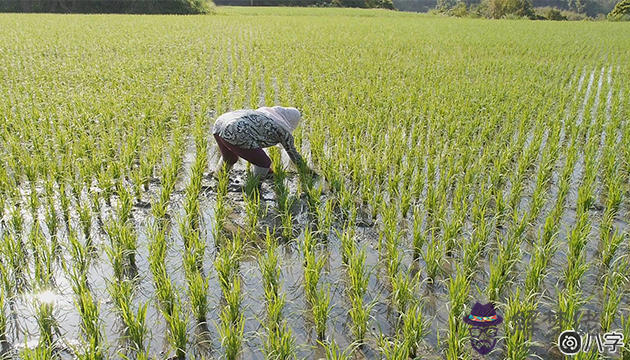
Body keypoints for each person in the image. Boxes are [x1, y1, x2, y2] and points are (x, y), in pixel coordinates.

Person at [212, 106, 315, 179]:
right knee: (263, 162)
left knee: (230, 158)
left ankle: (217, 177)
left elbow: (252, 145)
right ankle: (253, 190)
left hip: (220, 122)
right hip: (235, 129)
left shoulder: (264, 115)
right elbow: (294, 156)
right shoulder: (283, 131)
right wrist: (310, 173)